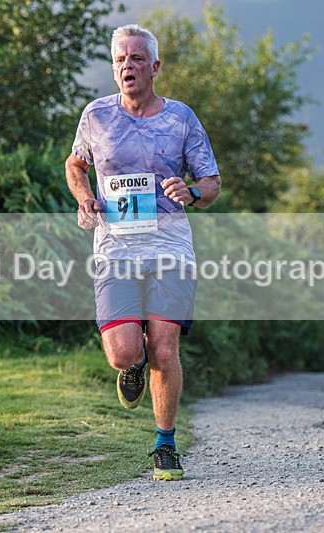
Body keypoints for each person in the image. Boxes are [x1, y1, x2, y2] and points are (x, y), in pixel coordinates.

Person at [66, 24, 221, 481]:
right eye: (119, 59)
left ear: (155, 67)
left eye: (136, 59)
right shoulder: (95, 116)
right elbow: (76, 163)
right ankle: (130, 367)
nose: (127, 66)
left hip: (170, 247)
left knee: (165, 348)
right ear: (113, 67)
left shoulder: (181, 119)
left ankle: (165, 444)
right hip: (116, 249)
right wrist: (85, 197)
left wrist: (191, 193)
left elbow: (212, 183)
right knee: (123, 352)